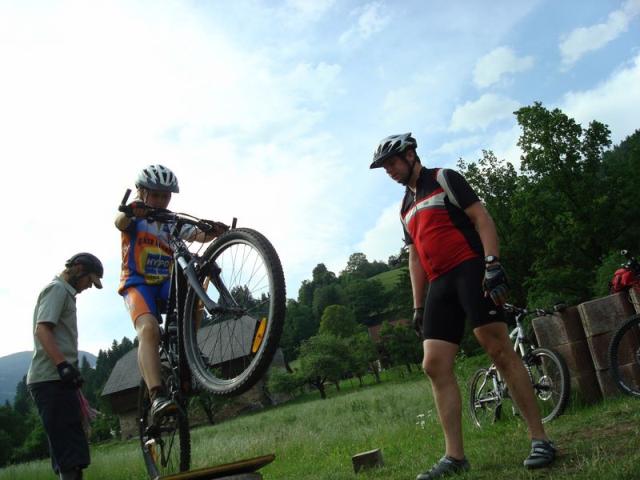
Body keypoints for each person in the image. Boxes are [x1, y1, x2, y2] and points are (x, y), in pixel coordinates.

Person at [370, 133, 556, 479]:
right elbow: (414, 257)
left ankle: (540, 439)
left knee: (498, 350)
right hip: (439, 285)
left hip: (470, 270)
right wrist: (417, 306)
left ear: (410, 155)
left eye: (392, 162)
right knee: (434, 365)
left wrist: (492, 264)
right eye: (384, 167)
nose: (389, 170)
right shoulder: (405, 207)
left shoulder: (444, 178)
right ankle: (455, 457)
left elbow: (481, 218)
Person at [115, 164, 227, 424]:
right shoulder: (134, 216)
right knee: (149, 330)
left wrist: (213, 231)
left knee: (193, 299)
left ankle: (188, 350)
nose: (161, 201)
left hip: (166, 283)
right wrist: (131, 211)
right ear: (141, 192)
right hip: (137, 283)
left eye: (166, 196)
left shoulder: (170, 221)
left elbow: (196, 234)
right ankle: (156, 396)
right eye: (155, 195)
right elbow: (119, 221)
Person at [27, 253, 104, 480]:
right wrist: (63, 366)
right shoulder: (57, 289)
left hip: (58, 379)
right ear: (78, 269)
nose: (89, 286)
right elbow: (42, 330)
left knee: (72, 452)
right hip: (50, 380)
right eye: (89, 280)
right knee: (69, 454)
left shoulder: (66, 293)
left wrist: (68, 369)